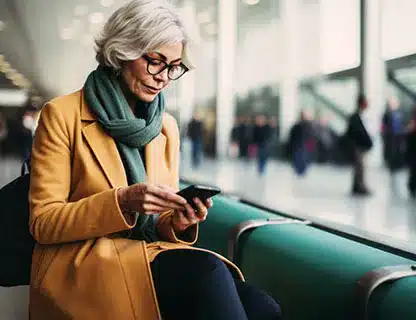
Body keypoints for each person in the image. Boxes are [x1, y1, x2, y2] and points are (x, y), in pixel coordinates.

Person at [28, 1, 282, 319]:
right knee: (206, 272)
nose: (163, 77)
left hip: (146, 256)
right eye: (155, 62)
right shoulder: (61, 115)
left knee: (263, 307)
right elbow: (43, 223)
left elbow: (160, 222)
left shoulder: (166, 127)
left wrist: (178, 220)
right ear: (120, 53)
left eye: (173, 66)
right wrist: (122, 202)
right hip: (85, 265)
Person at [345, 94, 373, 196]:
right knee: (359, 167)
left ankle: (357, 186)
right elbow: (352, 132)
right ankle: (359, 187)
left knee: (360, 167)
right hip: (357, 147)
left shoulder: (364, 116)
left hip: (362, 147)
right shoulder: (355, 117)